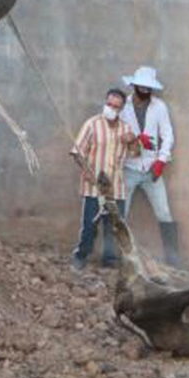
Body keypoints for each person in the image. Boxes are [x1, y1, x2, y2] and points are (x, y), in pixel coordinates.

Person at [119, 66, 180, 267]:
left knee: (164, 212)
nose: (145, 91)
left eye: (148, 88)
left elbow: (167, 134)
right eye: (141, 87)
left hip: (152, 169)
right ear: (134, 85)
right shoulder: (123, 106)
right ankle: (121, 257)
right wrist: (136, 139)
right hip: (129, 167)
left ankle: (172, 257)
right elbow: (116, 134)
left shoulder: (159, 106)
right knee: (121, 214)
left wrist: (162, 160)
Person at [71, 87, 136, 270]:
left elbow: (136, 153)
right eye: (108, 104)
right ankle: (81, 256)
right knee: (89, 227)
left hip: (116, 187)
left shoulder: (126, 129)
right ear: (105, 103)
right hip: (94, 187)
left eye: (115, 106)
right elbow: (77, 152)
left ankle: (110, 260)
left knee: (114, 227)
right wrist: (89, 174)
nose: (111, 108)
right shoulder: (92, 124)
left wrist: (133, 140)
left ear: (121, 109)